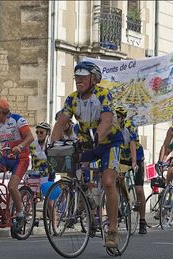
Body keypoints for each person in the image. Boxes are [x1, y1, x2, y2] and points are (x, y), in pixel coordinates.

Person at [51, 60, 124, 249]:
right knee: (70, 169)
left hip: (108, 143)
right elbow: (61, 123)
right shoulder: (72, 99)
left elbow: (107, 121)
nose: (79, 80)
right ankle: (87, 201)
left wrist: (97, 137)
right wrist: (52, 144)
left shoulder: (103, 95)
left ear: (94, 79)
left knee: (108, 182)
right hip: (85, 143)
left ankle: (113, 231)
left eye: (83, 77)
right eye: (77, 77)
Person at [0, 98, 35, 232]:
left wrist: (21, 146)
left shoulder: (17, 120)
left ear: (2, 112)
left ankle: (20, 215)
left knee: (12, 187)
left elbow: (30, 137)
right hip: (5, 158)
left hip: (21, 159)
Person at [116, 106, 148, 234]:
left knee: (139, 189)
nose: (115, 119)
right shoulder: (111, 126)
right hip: (121, 157)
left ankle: (142, 221)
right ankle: (123, 204)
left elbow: (132, 144)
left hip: (136, 156)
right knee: (117, 181)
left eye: (117, 117)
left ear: (122, 118)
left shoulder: (130, 126)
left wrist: (134, 162)